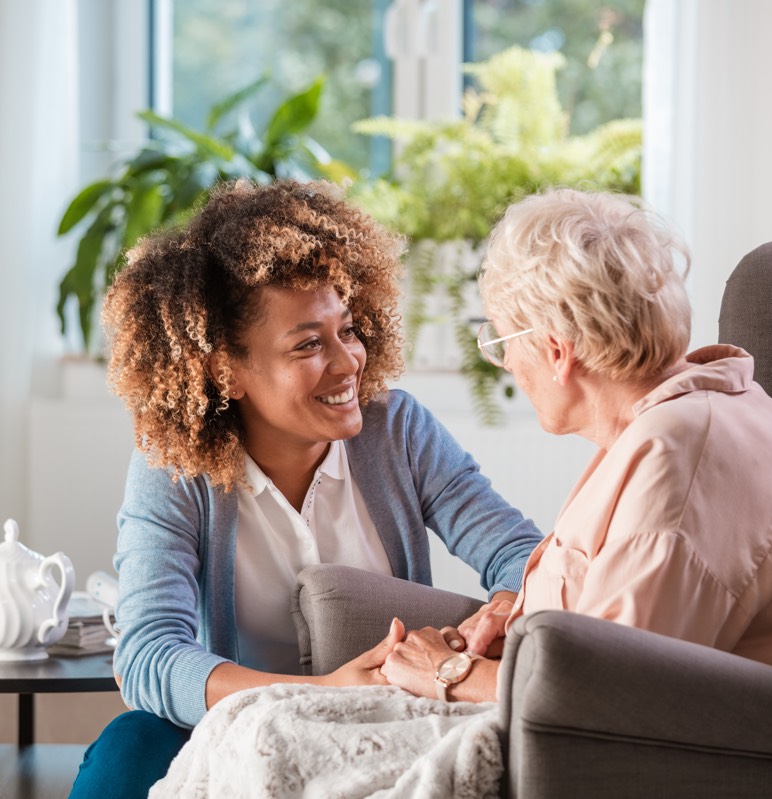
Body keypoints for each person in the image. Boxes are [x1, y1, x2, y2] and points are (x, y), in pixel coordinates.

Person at [69, 178, 543, 798]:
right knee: (130, 748)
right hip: (236, 729)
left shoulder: (397, 430)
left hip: (384, 724)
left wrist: (505, 607)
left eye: (347, 329)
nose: (348, 362)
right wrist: (320, 694)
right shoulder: (174, 469)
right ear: (224, 369)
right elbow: (150, 656)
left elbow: (521, 554)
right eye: (309, 345)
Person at [379, 187, 772, 704]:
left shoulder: (680, 457)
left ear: (556, 351)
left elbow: (611, 694)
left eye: (501, 343)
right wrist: (521, 620)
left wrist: (449, 672)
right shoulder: (675, 421)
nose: (509, 366)